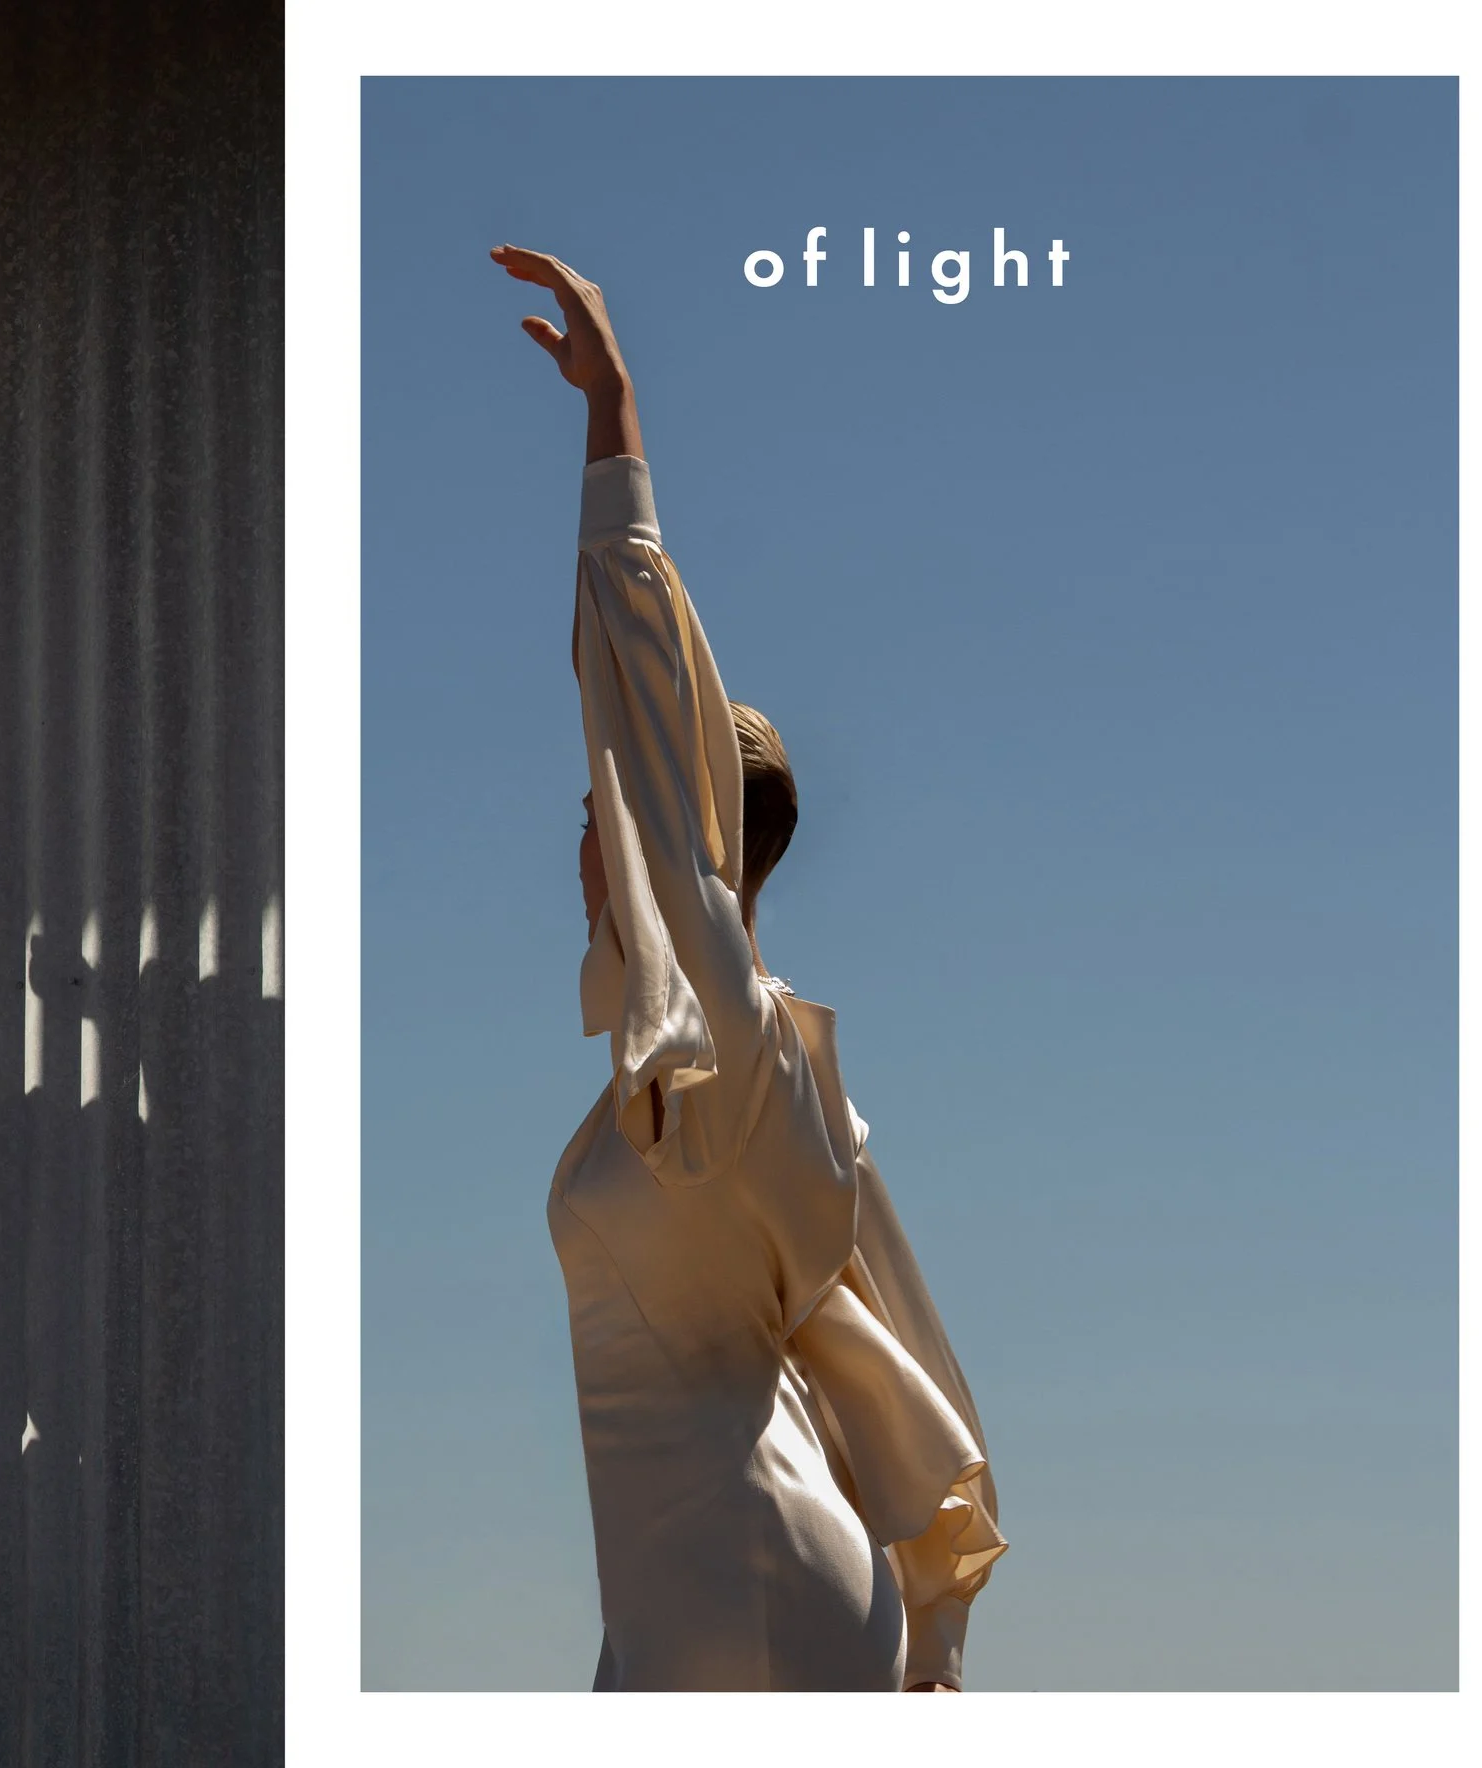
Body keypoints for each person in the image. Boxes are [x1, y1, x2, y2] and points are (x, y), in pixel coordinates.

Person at [496, 244, 1007, 1693]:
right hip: (708, 1581)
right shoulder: (733, 1077)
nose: (585, 843)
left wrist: (615, 429)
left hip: (743, 1592)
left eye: (603, 822)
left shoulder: (727, 1051)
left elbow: (652, 736)